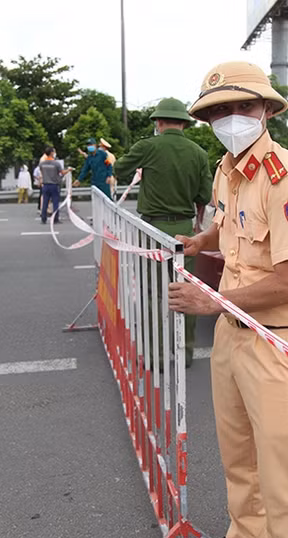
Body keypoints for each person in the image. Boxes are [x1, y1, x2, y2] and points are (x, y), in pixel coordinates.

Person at [168, 61, 288, 538]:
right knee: (239, 461)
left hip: (278, 343)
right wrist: (202, 241)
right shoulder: (228, 171)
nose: (233, 117)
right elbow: (229, 224)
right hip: (233, 338)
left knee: (284, 477)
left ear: (267, 112)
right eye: (220, 110)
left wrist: (212, 299)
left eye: (244, 105)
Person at [114, 97, 212, 368]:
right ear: (184, 123)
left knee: (153, 293)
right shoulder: (199, 153)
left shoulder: (148, 146)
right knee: (185, 291)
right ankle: (186, 353)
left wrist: (145, 169)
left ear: (158, 122)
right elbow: (204, 194)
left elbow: (119, 168)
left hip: (153, 229)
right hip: (185, 231)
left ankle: (155, 358)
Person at [38, 147, 73, 224]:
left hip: (45, 185)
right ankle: (55, 219)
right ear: (51, 153)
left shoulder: (42, 164)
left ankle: (43, 219)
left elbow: (41, 172)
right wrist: (69, 170)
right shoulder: (56, 164)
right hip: (54, 185)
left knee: (45, 203)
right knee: (55, 202)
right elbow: (62, 172)